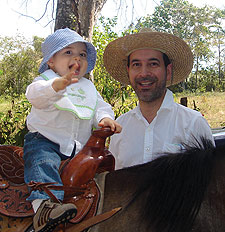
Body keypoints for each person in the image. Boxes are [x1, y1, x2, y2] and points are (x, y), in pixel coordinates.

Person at [24, 28, 121, 232]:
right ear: (51, 61)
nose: (76, 57)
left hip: (78, 148)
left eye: (82, 54)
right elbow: (34, 95)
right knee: (43, 163)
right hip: (45, 140)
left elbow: (99, 106)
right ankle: (44, 207)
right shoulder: (44, 81)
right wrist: (55, 86)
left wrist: (105, 119)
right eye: (68, 52)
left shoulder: (88, 87)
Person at [104, 29, 215, 170]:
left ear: (168, 71)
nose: (144, 73)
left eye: (153, 64)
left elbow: (208, 185)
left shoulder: (193, 124)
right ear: (128, 71)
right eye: (136, 65)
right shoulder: (121, 127)